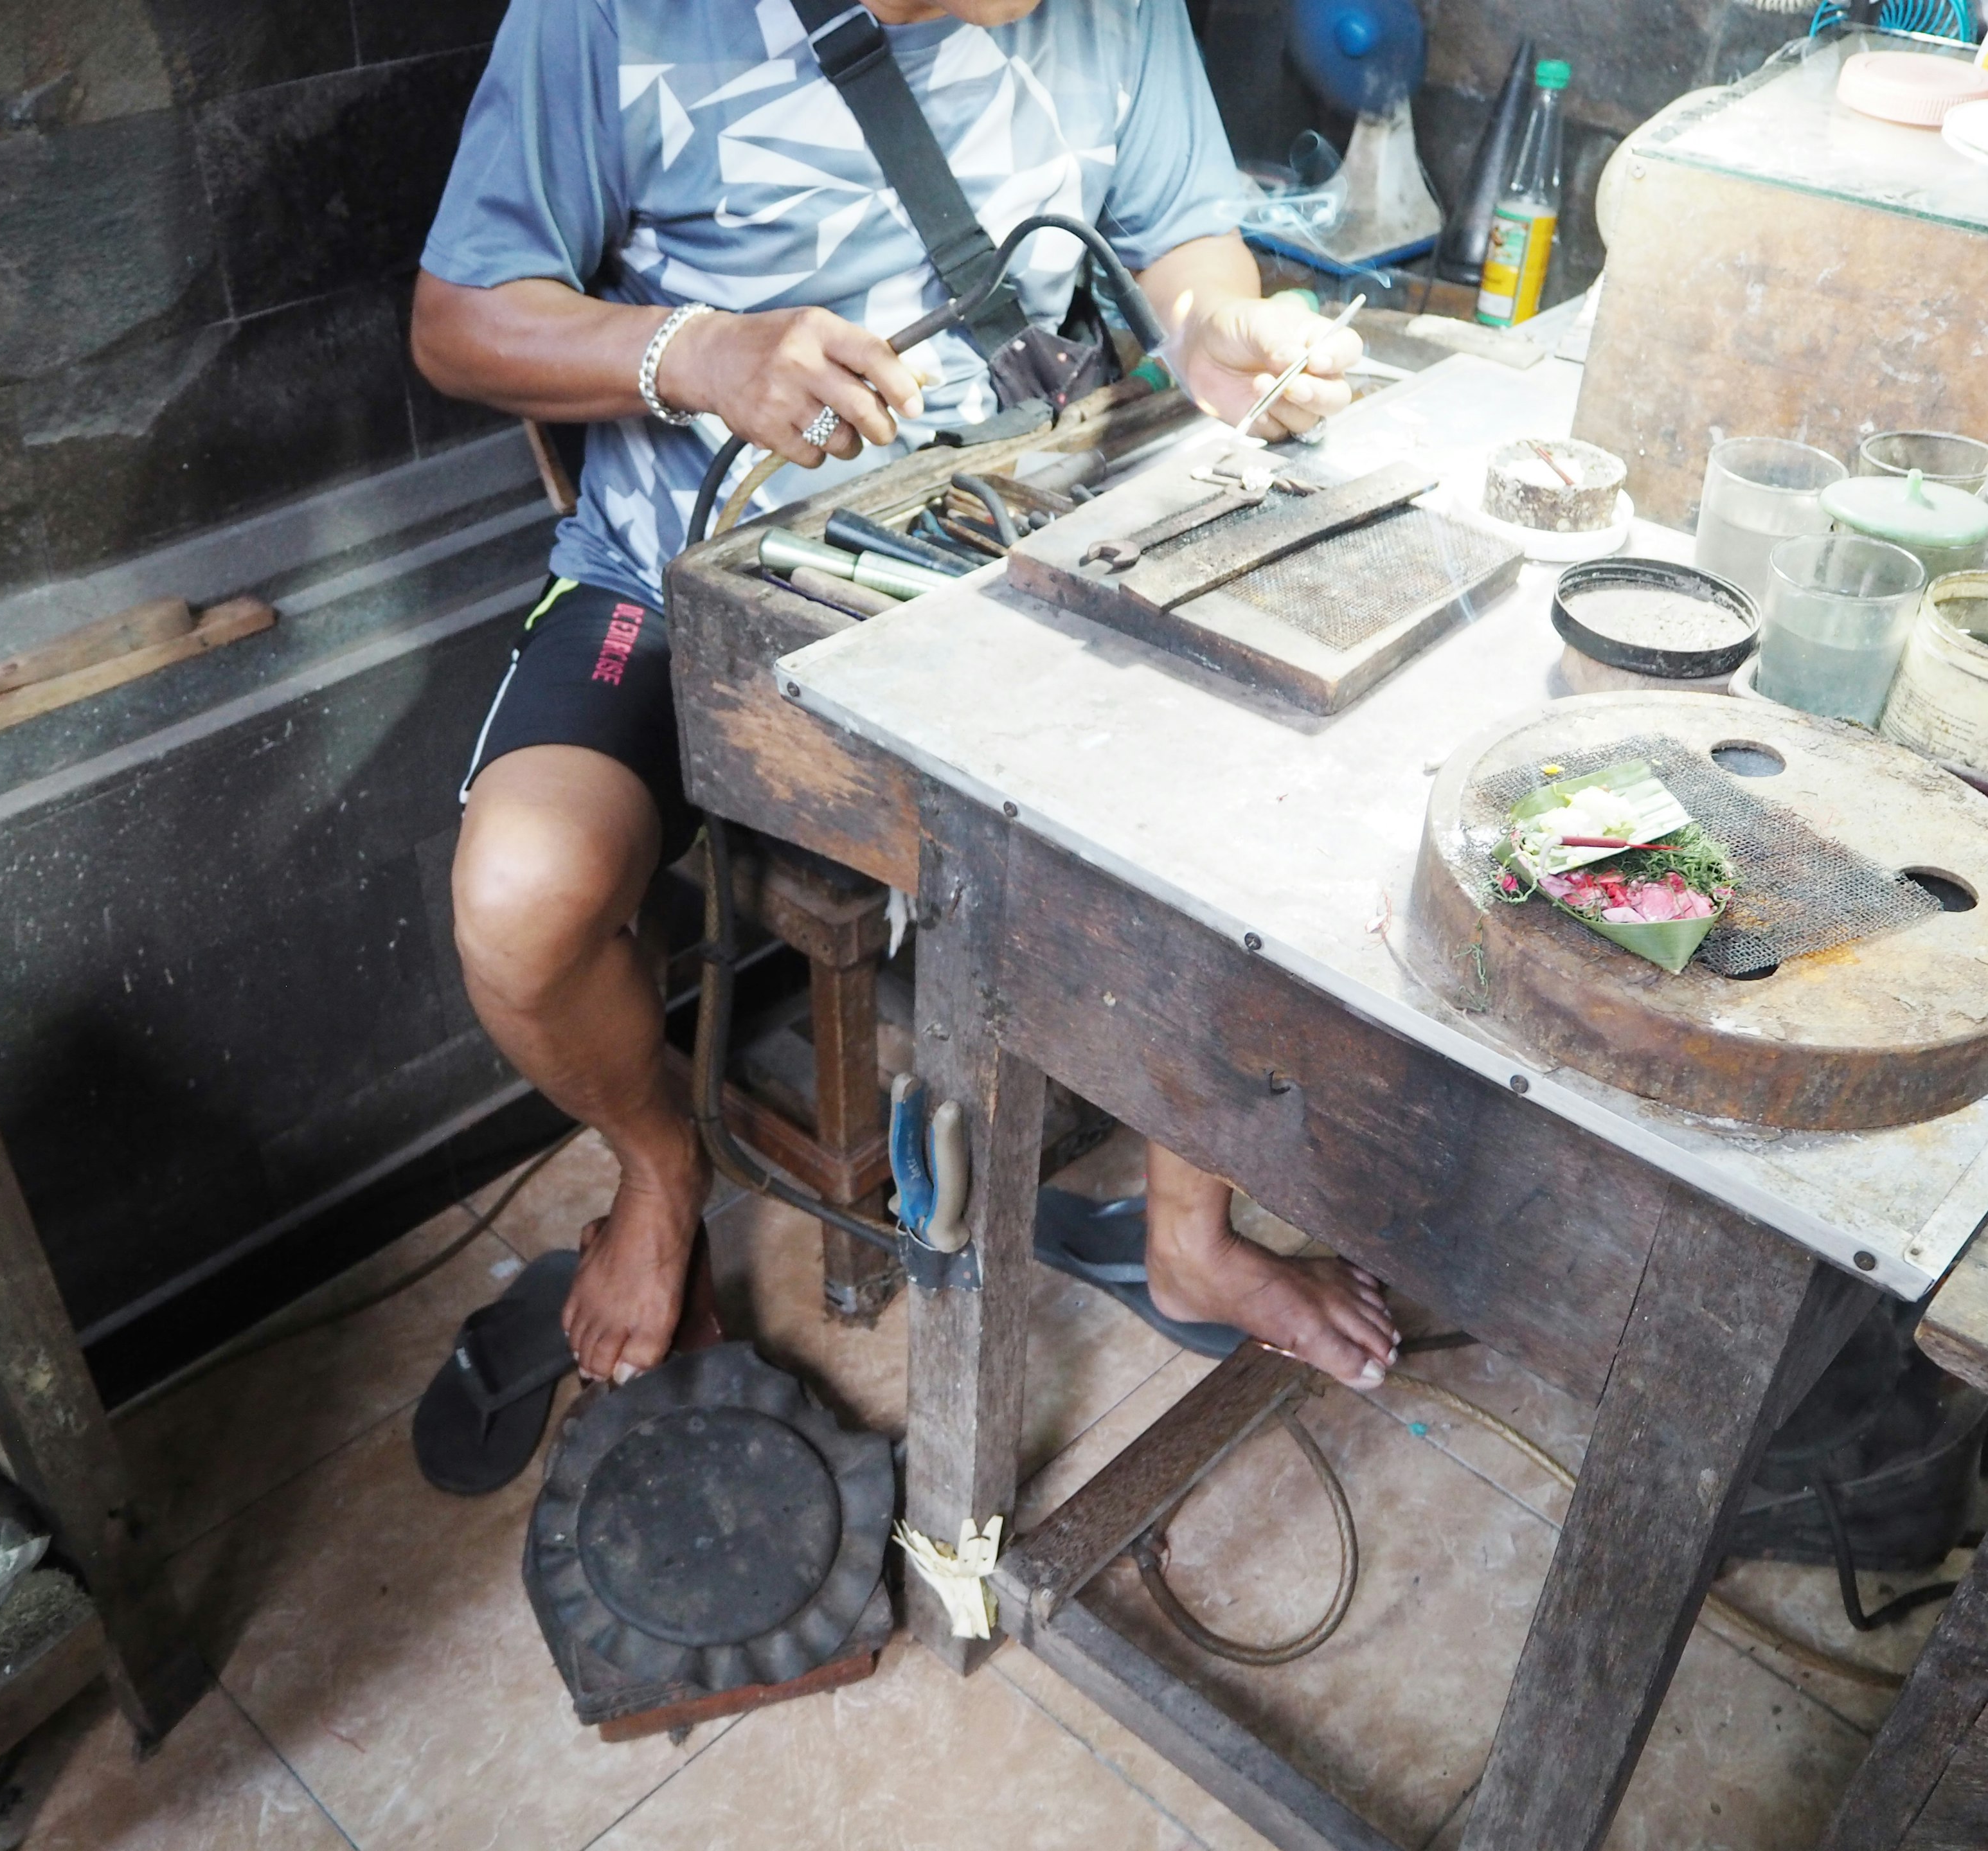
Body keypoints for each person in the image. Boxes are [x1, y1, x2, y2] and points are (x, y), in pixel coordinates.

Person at [411, 0, 1401, 1394]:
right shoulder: (608, 19)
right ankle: (656, 1164)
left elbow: (1187, 243)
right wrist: (694, 352)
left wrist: (1218, 333)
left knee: (1265, 750)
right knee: (522, 900)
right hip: (682, 571)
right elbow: (457, 324)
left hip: (1010, 544)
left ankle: (1190, 1234)